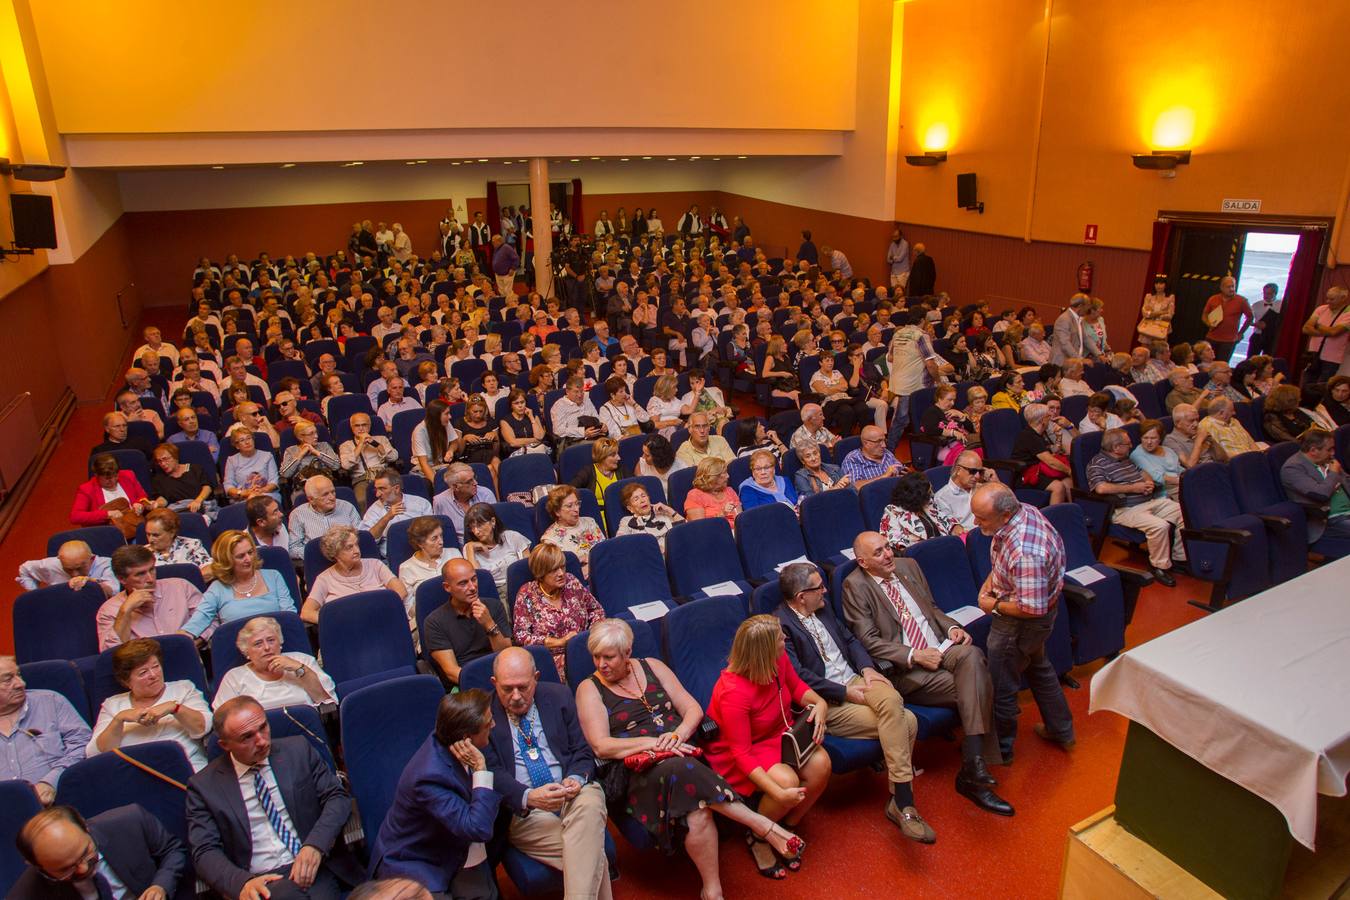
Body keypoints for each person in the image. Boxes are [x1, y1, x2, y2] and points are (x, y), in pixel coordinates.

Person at [576, 619, 804, 890]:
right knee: (679, 768)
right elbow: (602, 746)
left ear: (627, 653)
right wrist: (656, 744)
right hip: (638, 772)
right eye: (596, 656)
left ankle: (712, 889)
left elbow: (693, 709)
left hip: (683, 753)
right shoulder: (589, 688)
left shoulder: (651, 666)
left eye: (609, 657)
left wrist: (678, 735)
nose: (601, 664)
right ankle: (762, 826)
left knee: (697, 811)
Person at [843, 533, 1010, 814]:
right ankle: (975, 768)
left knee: (971, 653)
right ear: (863, 562)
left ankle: (973, 764)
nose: (888, 555)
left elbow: (932, 609)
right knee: (979, 684)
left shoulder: (908, 566)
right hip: (907, 667)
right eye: (879, 552)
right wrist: (913, 655)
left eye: (887, 547)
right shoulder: (855, 586)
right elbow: (868, 639)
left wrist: (951, 628)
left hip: (941, 646)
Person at [775, 562, 941, 839]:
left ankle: (901, 801)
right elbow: (798, 676)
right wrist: (844, 693)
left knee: (891, 700)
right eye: (819, 587)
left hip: (858, 679)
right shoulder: (781, 625)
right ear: (802, 596)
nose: (826, 591)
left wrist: (867, 669)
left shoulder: (822, 609)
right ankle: (902, 801)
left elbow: (851, 641)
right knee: (907, 721)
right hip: (828, 699)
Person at [186, 695, 360, 900]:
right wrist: (243, 882)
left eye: (263, 727)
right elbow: (204, 851)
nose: (261, 741)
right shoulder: (204, 786)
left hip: (311, 865)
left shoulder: (298, 750)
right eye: (247, 737)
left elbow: (337, 798)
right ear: (225, 745)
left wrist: (315, 845)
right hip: (259, 880)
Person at [482, 647, 613, 900]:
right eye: (507, 689)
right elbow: (492, 772)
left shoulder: (560, 696)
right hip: (526, 812)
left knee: (590, 800)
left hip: (572, 795)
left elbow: (582, 753)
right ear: (494, 683)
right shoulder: (483, 714)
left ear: (537, 677)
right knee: (591, 854)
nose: (516, 696)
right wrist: (529, 797)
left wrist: (574, 780)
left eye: (523, 687)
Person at [703, 615, 831, 874]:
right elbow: (741, 752)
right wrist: (779, 793)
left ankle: (788, 826)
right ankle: (760, 834)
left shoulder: (778, 660)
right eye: (780, 639)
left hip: (778, 735)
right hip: (741, 751)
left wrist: (820, 704)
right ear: (764, 651)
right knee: (785, 782)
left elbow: (796, 687)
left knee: (821, 765)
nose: (785, 639)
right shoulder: (733, 692)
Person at [970, 483, 1073, 761]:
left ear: (1004, 514)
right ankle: (1061, 730)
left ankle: (1001, 750)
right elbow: (1005, 561)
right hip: (1031, 612)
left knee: (1002, 685)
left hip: (1019, 623)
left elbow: (1031, 608)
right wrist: (991, 581)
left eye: (981, 518)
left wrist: (993, 605)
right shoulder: (1021, 512)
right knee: (1040, 668)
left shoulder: (1027, 552)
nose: (975, 523)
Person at [370, 690, 503, 898]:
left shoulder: (454, 739)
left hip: (452, 839)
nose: (493, 725)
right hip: (416, 858)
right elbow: (478, 828)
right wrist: (480, 769)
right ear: (466, 738)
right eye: (488, 724)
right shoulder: (428, 776)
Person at [10, 803, 187, 900]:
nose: (83, 869)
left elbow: (173, 851)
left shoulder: (130, 821)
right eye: (66, 869)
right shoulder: (28, 891)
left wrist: (160, 885)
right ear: (39, 867)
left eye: (85, 853)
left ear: (85, 826)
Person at [89, 637, 211, 770]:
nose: (153, 675)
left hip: (185, 767)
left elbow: (203, 728)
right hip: (133, 773)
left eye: (156, 666)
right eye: (143, 673)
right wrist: (119, 719)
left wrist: (174, 708)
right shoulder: (113, 704)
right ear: (126, 682)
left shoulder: (183, 689)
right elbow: (95, 752)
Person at [1088, 429, 1187, 585]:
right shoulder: (1097, 464)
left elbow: (1142, 473)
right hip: (1125, 509)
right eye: (1128, 444)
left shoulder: (1126, 458)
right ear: (1116, 447)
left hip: (1149, 501)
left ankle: (1179, 558)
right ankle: (1159, 566)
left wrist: (1148, 483)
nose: (1131, 446)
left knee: (1184, 512)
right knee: (1160, 526)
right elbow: (1101, 488)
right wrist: (1134, 488)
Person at [0, 655, 92, 803]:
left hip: (61, 801)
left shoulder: (50, 701)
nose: (20, 684)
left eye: (18, 675)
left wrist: (51, 781)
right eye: (7, 679)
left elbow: (83, 744)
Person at [514, 542, 605, 682]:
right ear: (540, 572)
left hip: (586, 649)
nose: (561, 573)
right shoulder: (526, 594)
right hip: (553, 661)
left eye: (562, 567)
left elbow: (596, 609)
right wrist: (559, 642)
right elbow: (521, 636)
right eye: (553, 570)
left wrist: (590, 636)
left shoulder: (571, 582)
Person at [182, 531, 297, 638]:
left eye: (250, 552)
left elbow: (289, 616)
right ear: (227, 560)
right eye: (241, 556)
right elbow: (198, 620)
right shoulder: (217, 588)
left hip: (279, 644)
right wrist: (180, 639)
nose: (248, 559)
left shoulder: (273, 576)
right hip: (238, 653)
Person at [423, 558, 512, 689]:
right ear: (447, 587)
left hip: (502, 675)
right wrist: (484, 684)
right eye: (463, 583)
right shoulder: (434, 622)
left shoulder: (494, 606)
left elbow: (506, 653)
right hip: (467, 684)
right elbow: (452, 672)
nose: (472, 587)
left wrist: (489, 624)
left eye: (474, 579)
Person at [212, 616, 336, 710]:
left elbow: (328, 703)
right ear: (246, 651)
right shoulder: (234, 678)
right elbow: (223, 720)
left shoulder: (303, 661)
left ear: (280, 642)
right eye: (258, 643)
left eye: (271, 640)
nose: (267, 647)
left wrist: (300, 669)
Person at [98, 544, 203, 650]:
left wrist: (196, 642)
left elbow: (210, 620)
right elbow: (110, 653)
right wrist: (125, 611)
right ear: (122, 579)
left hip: (187, 658)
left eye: (152, 569)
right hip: (144, 665)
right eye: (140, 574)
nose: (150, 579)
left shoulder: (181, 587)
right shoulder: (108, 610)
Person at [301, 525, 408, 624]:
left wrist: (381, 610)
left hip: (383, 620)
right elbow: (306, 613)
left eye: (356, 544)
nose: (356, 550)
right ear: (335, 553)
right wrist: (336, 621)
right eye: (349, 547)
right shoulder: (324, 579)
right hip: (349, 631)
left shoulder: (375, 564)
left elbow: (401, 591)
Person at [1280, 428, 1350, 559]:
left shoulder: (1326, 460)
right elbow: (1321, 493)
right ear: (1313, 451)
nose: (1333, 453)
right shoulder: (1292, 468)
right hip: (1329, 520)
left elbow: (1347, 482)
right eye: (1329, 449)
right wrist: (1334, 472)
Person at [461, 503, 532, 598]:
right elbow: (479, 580)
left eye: (480, 525)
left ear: (493, 521)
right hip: (497, 594)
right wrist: (470, 548)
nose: (476, 531)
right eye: (472, 527)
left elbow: (529, 566)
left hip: (522, 586)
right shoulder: (469, 549)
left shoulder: (512, 537)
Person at [880, 471, 963, 550]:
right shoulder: (893, 510)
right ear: (917, 496)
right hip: (919, 554)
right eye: (928, 492)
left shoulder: (928, 503)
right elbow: (892, 541)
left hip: (944, 546)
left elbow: (944, 518)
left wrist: (955, 526)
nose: (932, 494)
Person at [360, 467, 432, 556]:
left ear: (397, 488)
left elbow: (432, 531)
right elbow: (368, 540)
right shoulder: (374, 510)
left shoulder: (421, 503)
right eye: (376, 489)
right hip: (393, 557)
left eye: (382, 489)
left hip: (423, 552)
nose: (377, 494)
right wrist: (386, 518)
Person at [287, 474, 361, 559]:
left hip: (350, 558)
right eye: (325, 494)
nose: (332, 497)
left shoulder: (347, 507)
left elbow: (361, 536)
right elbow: (293, 549)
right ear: (311, 500)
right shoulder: (298, 514)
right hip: (318, 563)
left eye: (333, 492)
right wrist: (319, 554)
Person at [72, 453, 152, 527]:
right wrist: (107, 514)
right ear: (96, 475)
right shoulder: (87, 489)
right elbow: (76, 516)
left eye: (116, 476)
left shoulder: (128, 475)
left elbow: (142, 496)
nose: (113, 480)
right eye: (108, 478)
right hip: (108, 531)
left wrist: (139, 504)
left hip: (134, 525)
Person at [539, 485, 606, 573]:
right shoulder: (550, 540)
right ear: (557, 511)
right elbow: (561, 573)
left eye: (577, 503)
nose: (576, 509)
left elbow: (605, 549)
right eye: (569, 506)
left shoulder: (590, 522)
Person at [569, 438, 631, 532]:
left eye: (617, 454)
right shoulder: (588, 472)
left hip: (621, 515)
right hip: (597, 520)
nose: (619, 458)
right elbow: (569, 489)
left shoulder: (622, 470)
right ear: (602, 456)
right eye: (613, 455)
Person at [16, 540, 117, 595]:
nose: (75, 574)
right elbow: (25, 569)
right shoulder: (52, 565)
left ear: (91, 558)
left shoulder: (107, 564)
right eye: (68, 569)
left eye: (80, 568)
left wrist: (90, 582)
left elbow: (113, 591)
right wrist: (35, 594)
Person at [396, 515, 463, 595]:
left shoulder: (454, 554)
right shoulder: (407, 568)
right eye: (434, 538)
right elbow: (408, 605)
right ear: (420, 543)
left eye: (441, 535)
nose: (441, 542)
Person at [613, 482, 683, 550]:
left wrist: (669, 510)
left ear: (648, 498)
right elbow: (619, 543)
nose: (642, 500)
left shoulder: (662, 511)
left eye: (643, 496)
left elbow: (685, 530)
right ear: (630, 508)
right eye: (636, 499)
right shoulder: (626, 521)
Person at [222, 427, 281, 505]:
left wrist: (261, 491)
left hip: (266, 495)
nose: (247, 442)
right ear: (237, 446)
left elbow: (274, 481)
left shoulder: (267, 456)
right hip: (242, 499)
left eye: (249, 438)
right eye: (242, 440)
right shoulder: (232, 460)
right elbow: (228, 485)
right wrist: (243, 493)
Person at [1200, 276, 1253, 362]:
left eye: (1233, 286)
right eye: (1228, 287)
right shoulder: (1213, 299)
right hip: (1211, 337)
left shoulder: (1242, 301)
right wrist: (1208, 323)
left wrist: (1240, 333)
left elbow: (1250, 317)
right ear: (1221, 287)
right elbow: (1204, 314)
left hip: (1229, 340)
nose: (1231, 289)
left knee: (1222, 364)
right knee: (1206, 362)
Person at [1130, 419, 1184, 500]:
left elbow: (1180, 470)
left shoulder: (1168, 450)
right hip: (1163, 493)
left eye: (1153, 438)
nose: (1149, 442)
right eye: (1145, 438)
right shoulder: (1137, 455)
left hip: (1180, 485)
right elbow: (1159, 478)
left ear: (1160, 439)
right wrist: (1184, 481)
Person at [1199, 396, 1265, 460]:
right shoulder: (1206, 426)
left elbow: (1250, 441)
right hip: (1236, 462)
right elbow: (1219, 455)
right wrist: (1248, 457)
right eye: (1231, 410)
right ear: (1221, 413)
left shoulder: (1234, 421)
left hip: (1252, 457)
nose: (1234, 413)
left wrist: (1258, 454)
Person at [841, 424, 905, 487]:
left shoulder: (886, 452)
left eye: (884, 440)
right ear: (866, 443)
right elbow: (856, 486)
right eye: (879, 441)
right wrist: (884, 476)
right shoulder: (853, 459)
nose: (884, 445)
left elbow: (901, 469)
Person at [684, 457, 742, 525]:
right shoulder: (695, 495)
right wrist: (722, 514)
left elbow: (740, 519)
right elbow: (700, 527)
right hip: (713, 534)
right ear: (713, 477)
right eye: (724, 473)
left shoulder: (729, 491)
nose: (728, 476)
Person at [1164, 403, 1216, 468]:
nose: (1196, 424)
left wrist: (1213, 441)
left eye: (1197, 420)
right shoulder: (1170, 440)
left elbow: (1223, 458)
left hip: (1216, 468)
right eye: (1191, 421)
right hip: (1200, 474)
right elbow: (1190, 465)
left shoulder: (1198, 434)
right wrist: (1198, 442)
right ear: (1178, 423)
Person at [1137, 274, 1175, 344]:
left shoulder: (1170, 297)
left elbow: (1170, 315)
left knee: (1159, 351)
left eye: (1161, 283)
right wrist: (1162, 312)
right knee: (1145, 351)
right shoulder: (1149, 296)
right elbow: (1145, 314)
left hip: (1161, 328)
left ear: (1166, 285)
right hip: (1148, 327)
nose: (1158, 285)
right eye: (1156, 283)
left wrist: (1152, 313)